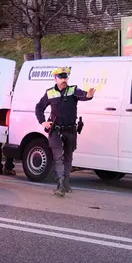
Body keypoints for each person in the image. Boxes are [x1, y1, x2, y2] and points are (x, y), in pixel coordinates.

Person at [35, 67, 94, 197]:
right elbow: (39, 107)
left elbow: (84, 95)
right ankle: (60, 184)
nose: (63, 80)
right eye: (61, 78)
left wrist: (89, 95)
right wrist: (43, 122)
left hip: (70, 130)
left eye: (65, 77)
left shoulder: (72, 90)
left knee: (68, 157)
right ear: (55, 79)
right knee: (58, 157)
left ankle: (66, 182)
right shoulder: (50, 93)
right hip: (55, 130)